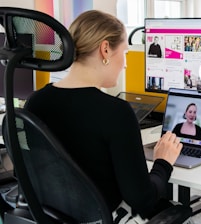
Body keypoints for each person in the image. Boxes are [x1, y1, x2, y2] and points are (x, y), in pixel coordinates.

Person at [24, 10, 182, 223]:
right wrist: (163, 162)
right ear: (105, 49)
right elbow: (142, 200)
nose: (126, 64)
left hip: (54, 216)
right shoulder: (116, 112)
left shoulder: (35, 101)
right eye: (125, 53)